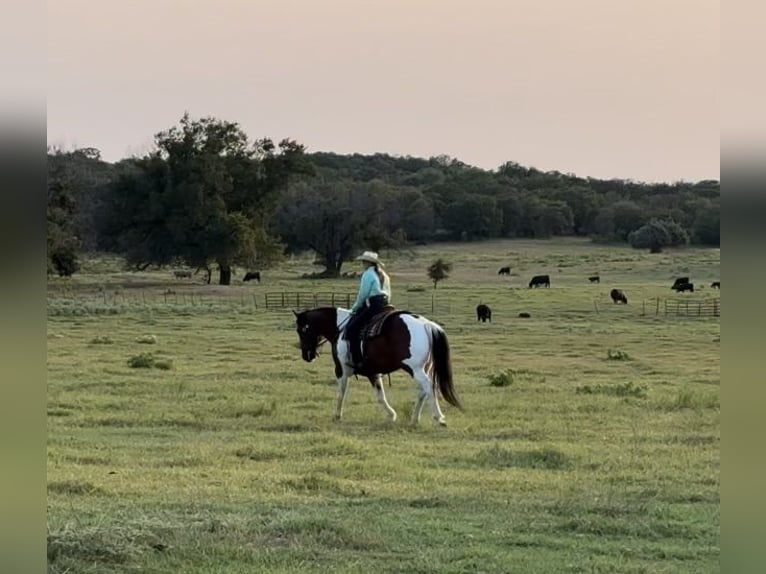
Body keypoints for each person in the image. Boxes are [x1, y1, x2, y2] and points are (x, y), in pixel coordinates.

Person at [344, 250, 392, 369]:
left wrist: (354, 308)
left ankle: (357, 361)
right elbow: (389, 293)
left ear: (367, 263)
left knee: (351, 329)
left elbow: (363, 294)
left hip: (374, 304)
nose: (362, 264)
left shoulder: (368, 274)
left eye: (364, 262)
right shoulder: (384, 275)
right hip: (385, 303)